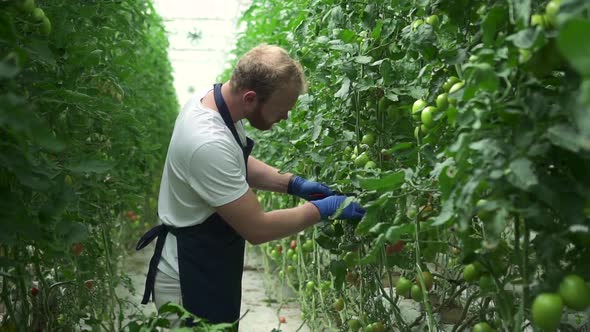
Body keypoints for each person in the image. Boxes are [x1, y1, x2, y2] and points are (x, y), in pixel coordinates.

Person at [135, 44, 365, 329]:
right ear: (251, 98)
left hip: (208, 262)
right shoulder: (206, 141)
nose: (285, 117)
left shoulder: (216, 103)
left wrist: (292, 184)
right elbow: (258, 228)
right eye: (282, 109)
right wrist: (323, 209)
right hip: (189, 276)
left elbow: (234, 161)